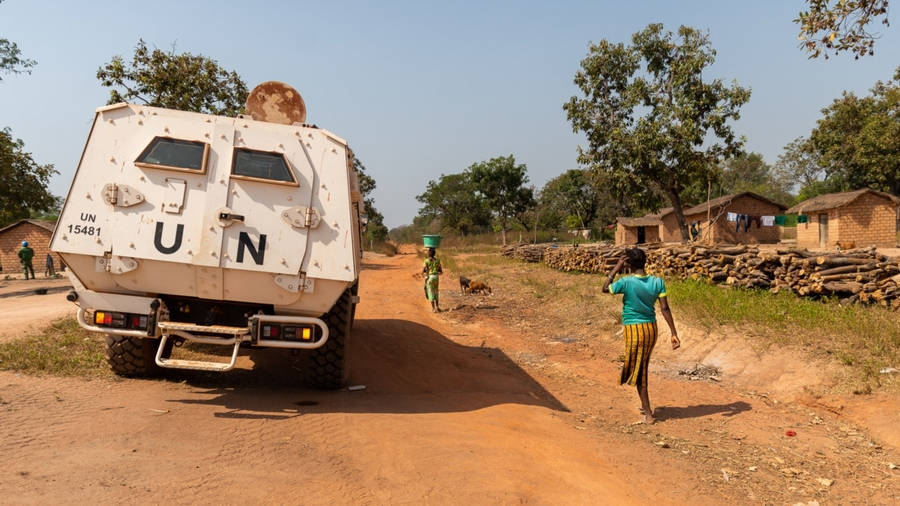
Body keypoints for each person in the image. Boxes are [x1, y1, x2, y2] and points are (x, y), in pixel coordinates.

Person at [601, 247, 679, 424]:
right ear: (645, 262)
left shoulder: (626, 282)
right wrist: (674, 333)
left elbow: (605, 288)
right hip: (651, 329)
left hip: (634, 330)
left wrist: (616, 267)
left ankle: (648, 412)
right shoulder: (658, 282)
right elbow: (665, 308)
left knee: (639, 370)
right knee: (641, 365)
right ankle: (646, 407)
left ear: (628, 263)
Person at [422, 247, 443, 313]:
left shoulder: (426, 261)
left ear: (429, 254)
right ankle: (437, 307)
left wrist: (424, 275)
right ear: (434, 253)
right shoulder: (437, 260)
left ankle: (433, 309)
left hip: (430, 277)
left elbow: (424, 271)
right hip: (436, 277)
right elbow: (440, 271)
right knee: (436, 291)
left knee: (431, 292)